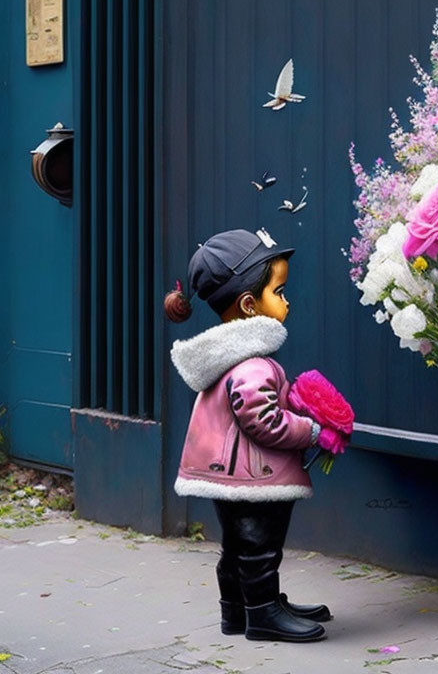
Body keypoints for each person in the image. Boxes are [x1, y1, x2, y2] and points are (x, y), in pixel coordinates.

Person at [164, 227, 331, 643]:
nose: (287, 301)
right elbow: (264, 421)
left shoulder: (230, 360)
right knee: (259, 544)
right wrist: (310, 430)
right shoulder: (251, 364)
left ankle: (240, 609)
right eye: (280, 291)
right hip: (254, 476)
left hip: (229, 473)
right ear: (249, 304)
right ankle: (262, 614)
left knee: (238, 544)